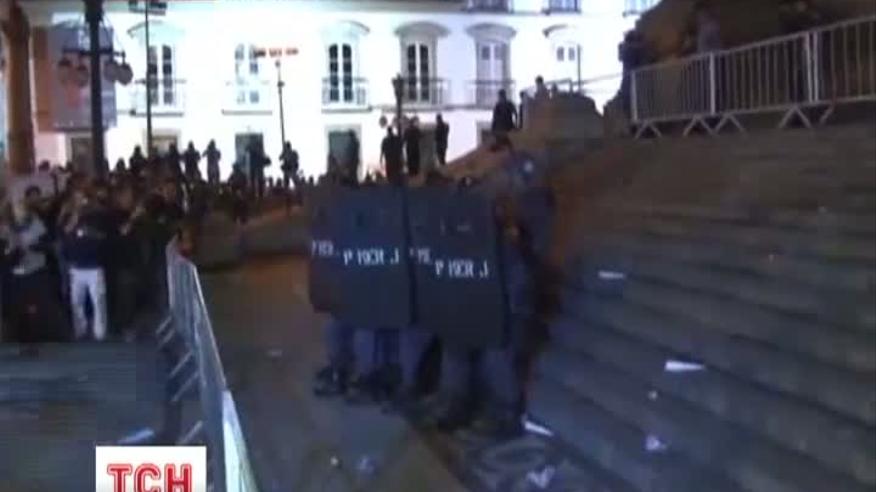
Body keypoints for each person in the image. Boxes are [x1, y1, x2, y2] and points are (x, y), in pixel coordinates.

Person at [61, 185, 112, 341]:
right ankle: (80, 330)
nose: (81, 202)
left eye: (83, 198)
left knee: (98, 301)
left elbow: (105, 236)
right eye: (77, 199)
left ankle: (100, 332)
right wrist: (74, 218)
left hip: (94, 265)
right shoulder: (69, 217)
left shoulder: (98, 216)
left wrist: (90, 232)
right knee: (76, 301)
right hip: (76, 266)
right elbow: (64, 233)